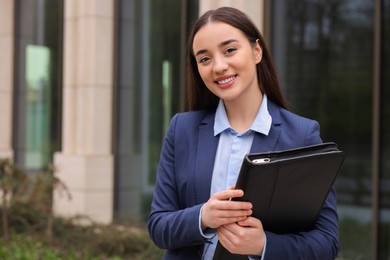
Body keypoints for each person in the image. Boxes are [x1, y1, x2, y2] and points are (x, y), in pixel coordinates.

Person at [148, 6, 339, 260]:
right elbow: (158, 226)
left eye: (229, 50)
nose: (218, 66)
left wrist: (263, 245)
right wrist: (203, 216)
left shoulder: (302, 135)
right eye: (204, 59)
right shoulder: (182, 129)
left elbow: (327, 242)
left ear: (256, 51)